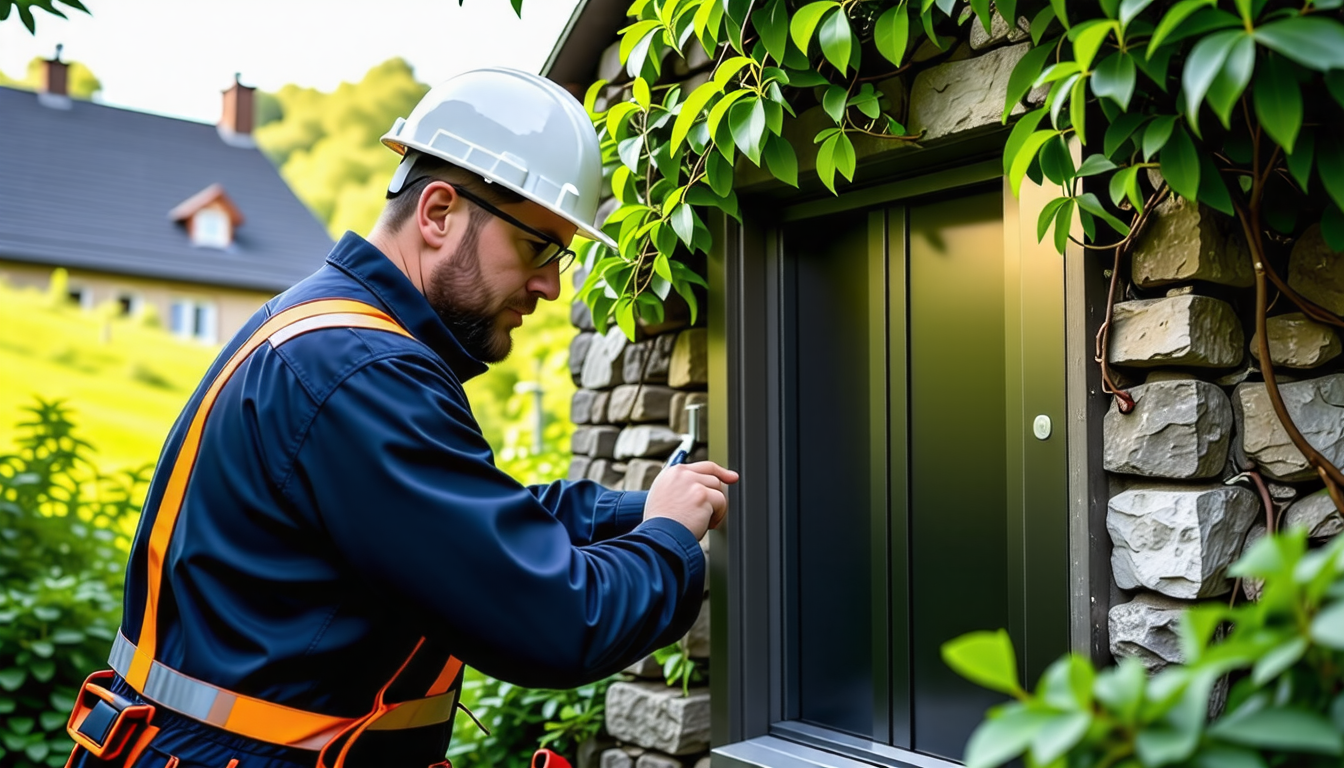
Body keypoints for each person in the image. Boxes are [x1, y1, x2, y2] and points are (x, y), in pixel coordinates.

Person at [64, 68, 738, 768]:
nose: (550, 285)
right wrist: (667, 539)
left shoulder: (328, 332)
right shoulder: (364, 371)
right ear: (439, 212)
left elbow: (462, 519)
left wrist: (639, 510)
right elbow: (558, 621)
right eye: (539, 247)